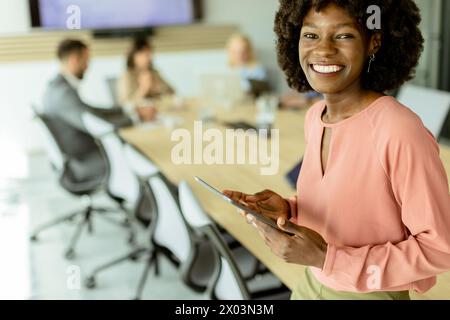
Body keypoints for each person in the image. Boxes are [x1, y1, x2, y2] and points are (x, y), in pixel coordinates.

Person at [224, 0, 450, 300]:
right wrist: (290, 210)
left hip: (370, 293)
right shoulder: (315, 117)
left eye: (343, 35)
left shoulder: (398, 129)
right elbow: (353, 209)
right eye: (311, 35)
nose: (323, 50)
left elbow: (439, 248)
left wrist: (327, 259)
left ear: (374, 42)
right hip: (311, 282)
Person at [43, 39, 131, 180]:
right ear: (74, 60)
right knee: (137, 158)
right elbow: (97, 125)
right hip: (83, 162)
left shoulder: (57, 87)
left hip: (81, 155)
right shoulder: (63, 93)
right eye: (86, 60)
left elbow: (88, 110)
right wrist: (133, 120)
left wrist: (122, 111)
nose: (87, 66)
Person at [117, 38, 174, 122]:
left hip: (158, 116)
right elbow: (126, 105)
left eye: (150, 53)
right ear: (134, 55)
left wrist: (158, 87)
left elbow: (172, 92)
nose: (149, 58)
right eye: (145, 54)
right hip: (138, 120)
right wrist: (143, 88)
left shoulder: (154, 72)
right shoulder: (127, 75)